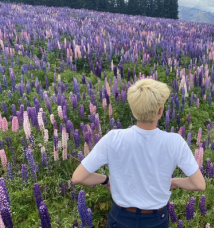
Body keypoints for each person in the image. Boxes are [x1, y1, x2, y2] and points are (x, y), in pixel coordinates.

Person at [71, 78, 206, 228]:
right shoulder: (175, 142)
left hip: (121, 218)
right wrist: (174, 182)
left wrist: (105, 180)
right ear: (160, 111)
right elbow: (199, 184)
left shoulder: (113, 138)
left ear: (133, 110)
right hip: (156, 220)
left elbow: (77, 177)